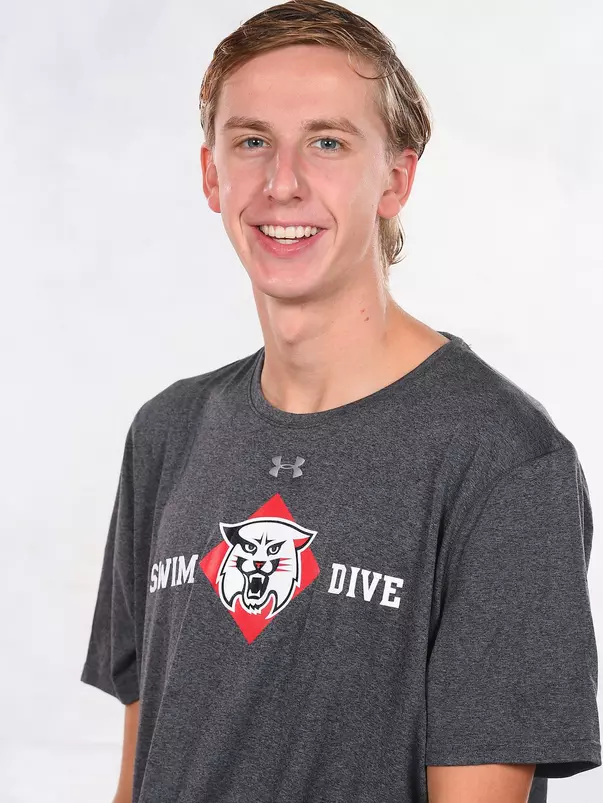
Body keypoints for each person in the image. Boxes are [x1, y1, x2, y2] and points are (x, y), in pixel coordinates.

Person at [80, 2, 601, 802]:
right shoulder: (167, 433)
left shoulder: (502, 460)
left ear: (394, 178)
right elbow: (140, 772)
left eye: (326, 142)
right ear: (211, 174)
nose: (281, 183)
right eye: (251, 141)